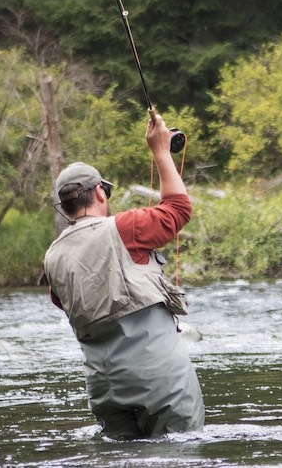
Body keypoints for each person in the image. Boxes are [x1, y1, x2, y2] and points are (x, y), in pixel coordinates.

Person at [43, 112, 204, 439]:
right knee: (181, 454)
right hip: (159, 381)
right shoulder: (125, 228)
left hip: (104, 390)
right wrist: (161, 152)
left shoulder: (52, 257)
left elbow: (65, 303)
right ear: (100, 193)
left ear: (65, 207)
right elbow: (179, 209)